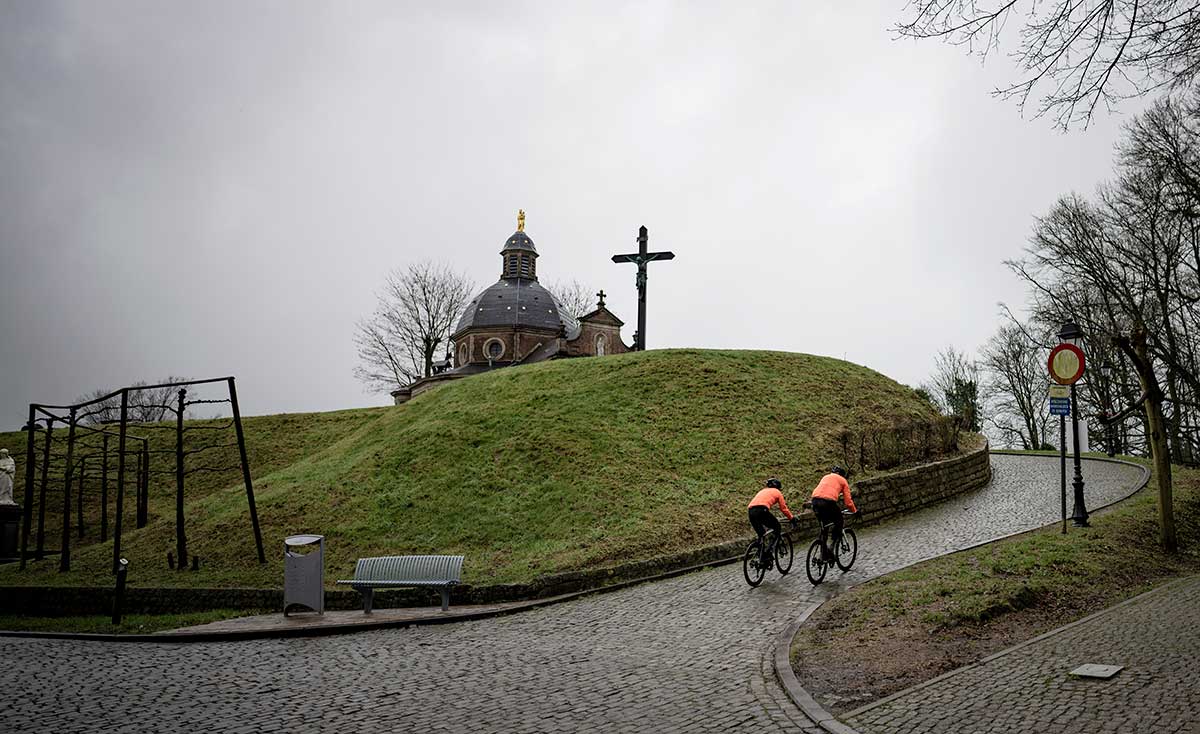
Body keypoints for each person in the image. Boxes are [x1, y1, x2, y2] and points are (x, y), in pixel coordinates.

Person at [810, 465, 858, 562]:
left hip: (814, 501)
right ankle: (831, 548)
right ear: (842, 475)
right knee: (839, 521)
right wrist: (855, 511)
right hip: (828, 502)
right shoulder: (843, 480)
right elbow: (848, 502)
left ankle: (823, 555)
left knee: (825, 527)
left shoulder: (825, 477)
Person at [747, 478, 797, 558]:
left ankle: (761, 554)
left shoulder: (762, 491)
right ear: (778, 487)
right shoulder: (777, 492)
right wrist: (791, 518)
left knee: (761, 533)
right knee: (777, 527)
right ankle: (768, 551)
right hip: (762, 510)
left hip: (750, 511)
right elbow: (783, 508)